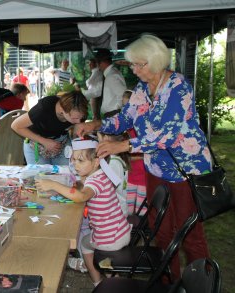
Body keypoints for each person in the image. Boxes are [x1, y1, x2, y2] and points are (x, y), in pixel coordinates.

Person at [74, 34, 211, 281]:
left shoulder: (178, 86)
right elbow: (126, 118)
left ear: (156, 61)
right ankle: (170, 281)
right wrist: (97, 124)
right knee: (163, 230)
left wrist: (123, 146)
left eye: (139, 64)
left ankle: (201, 284)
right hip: (156, 167)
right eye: (133, 64)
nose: (134, 70)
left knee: (190, 233)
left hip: (185, 170)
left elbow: (166, 135)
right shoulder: (142, 89)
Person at [35, 138, 131, 287]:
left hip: (110, 238)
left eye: (80, 161)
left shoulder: (94, 182)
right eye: (73, 160)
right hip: (121, 230)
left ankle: (98, 282)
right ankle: (113, 278)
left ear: (96, 162)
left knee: (85, 245)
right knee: (89, 239)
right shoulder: (101, 174)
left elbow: (81, 196)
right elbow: (84, 189)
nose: (75, 165)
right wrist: (72, 186)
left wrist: (54, 184)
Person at [11, 91, 88, 165]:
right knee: (40, 177)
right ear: (62, 110)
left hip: (62, 144)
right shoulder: (44, 108)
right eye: (74, 118)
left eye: (80, 118)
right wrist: (44, 141)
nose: (79, 122)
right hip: (37, 144)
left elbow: (77, 129)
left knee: (67, 174)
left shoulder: (78, 108)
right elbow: (16, 126)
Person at [122, 90, 147, 215]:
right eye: (124, 106)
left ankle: (140, 232)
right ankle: (131, 232)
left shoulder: (144, 128)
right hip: (131, 176)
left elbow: (147, 153)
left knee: (141, 211)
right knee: (128, 208)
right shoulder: (126, 130)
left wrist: (129, 157)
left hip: (143, 177)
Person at [98, 132, 130, 216]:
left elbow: (107, 189)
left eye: (99, 138)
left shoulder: (113, 163)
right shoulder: (114, 159)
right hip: (117, 208)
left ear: (106, 138)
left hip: (116, 212)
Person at [92, 48, 126, 119]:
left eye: (97, 63)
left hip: (114, 114)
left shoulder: (111, 76)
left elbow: (123, 95)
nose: (98, 67)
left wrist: (118, 112)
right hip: (112, 114)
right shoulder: (111, 73)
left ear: (101, 63)